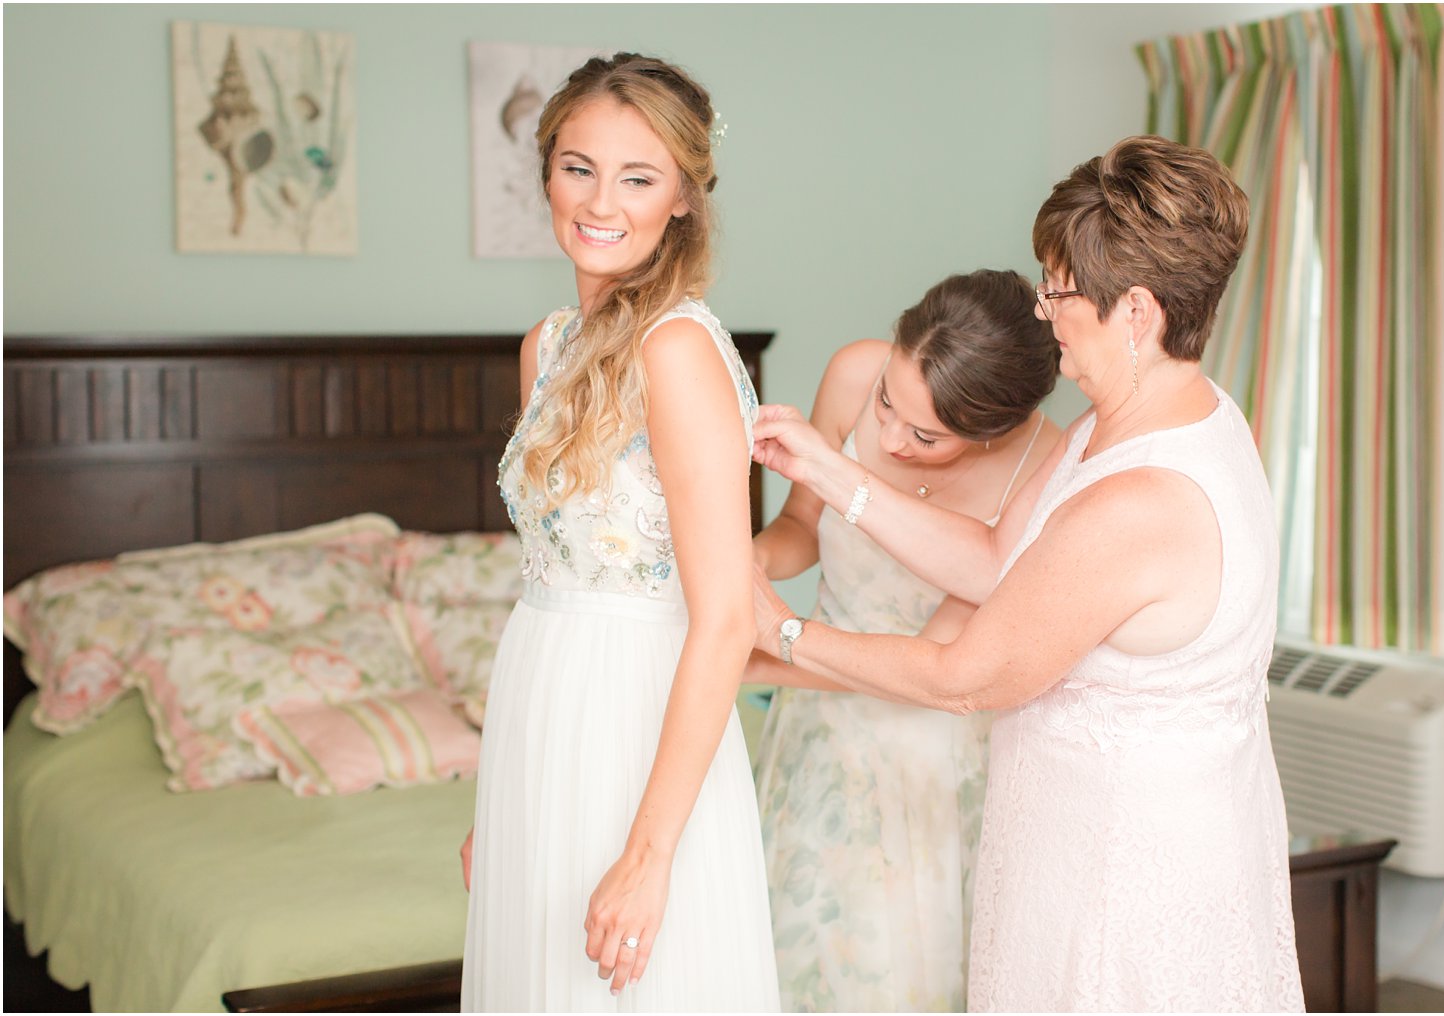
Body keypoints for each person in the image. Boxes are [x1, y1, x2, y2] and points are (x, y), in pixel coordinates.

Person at [748, 135, 1306, 1012]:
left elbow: (962, 677)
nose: (1043, 312)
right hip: (1076, 845)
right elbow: (996, 558)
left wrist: (772, 628)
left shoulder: (1141, 501)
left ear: (1139, 314)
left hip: (1122, 884)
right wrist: (827, 473)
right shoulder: (1138, 419)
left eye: (1062, 291)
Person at [460, 53, 779, 1012]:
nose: (601, 200)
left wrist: (648, 854)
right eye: (578, 167)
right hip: (537, 704)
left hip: (641, 722)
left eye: (638, 178)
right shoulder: (546, 345)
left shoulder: (676, 350)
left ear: (682, 196)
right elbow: (543, 576)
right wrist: (495, 793)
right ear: (548, 172)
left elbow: (726, 619)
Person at [747, 270, 1060, 1012]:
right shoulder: (856, 371)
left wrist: (761, 650)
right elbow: (801, 528)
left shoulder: (1036, 471)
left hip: (930, 759)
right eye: (889, 402)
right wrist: (750, 566)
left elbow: (932, 666)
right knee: (794, 958)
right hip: (817, 738)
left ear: (996, 427)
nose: (888, 438)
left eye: (925, 436)